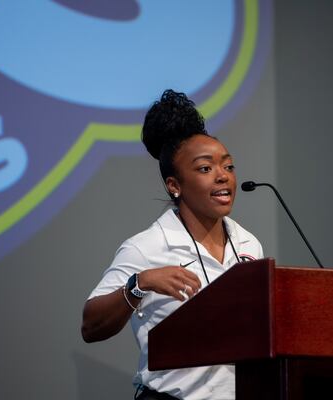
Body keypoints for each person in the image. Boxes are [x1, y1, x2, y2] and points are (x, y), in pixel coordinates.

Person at [81, 89, 264, 400]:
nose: (223, 177)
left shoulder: (249, 244)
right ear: (175, 185)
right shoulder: (146, 247)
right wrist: (139, 284)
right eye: (206, 169)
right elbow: (91, 325)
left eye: (228, 166)